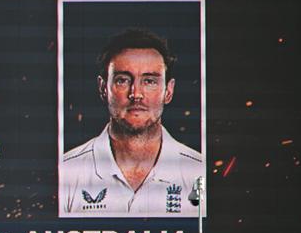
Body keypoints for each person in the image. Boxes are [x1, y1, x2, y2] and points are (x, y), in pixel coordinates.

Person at [59, 29, 203, 217]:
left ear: (168, 91)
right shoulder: (67, 172)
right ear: (103, 88)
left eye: (149, 81)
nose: (136, 94)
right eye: (123, 80)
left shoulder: (198, 172)